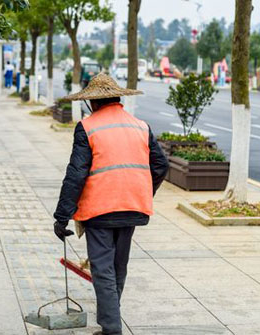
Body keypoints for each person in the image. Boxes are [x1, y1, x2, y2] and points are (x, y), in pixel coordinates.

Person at [53, 74, 169, 335]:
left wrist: (61, 216)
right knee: (118, 266)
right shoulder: (141, 126)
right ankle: (110, 321)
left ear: (93, 103)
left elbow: (76, 173)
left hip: (99, 209)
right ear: (118, 99)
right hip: (132, 207)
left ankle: (112, 329)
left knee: (103, 268)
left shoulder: (87, 127)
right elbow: (161, 166)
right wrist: (143, 191)